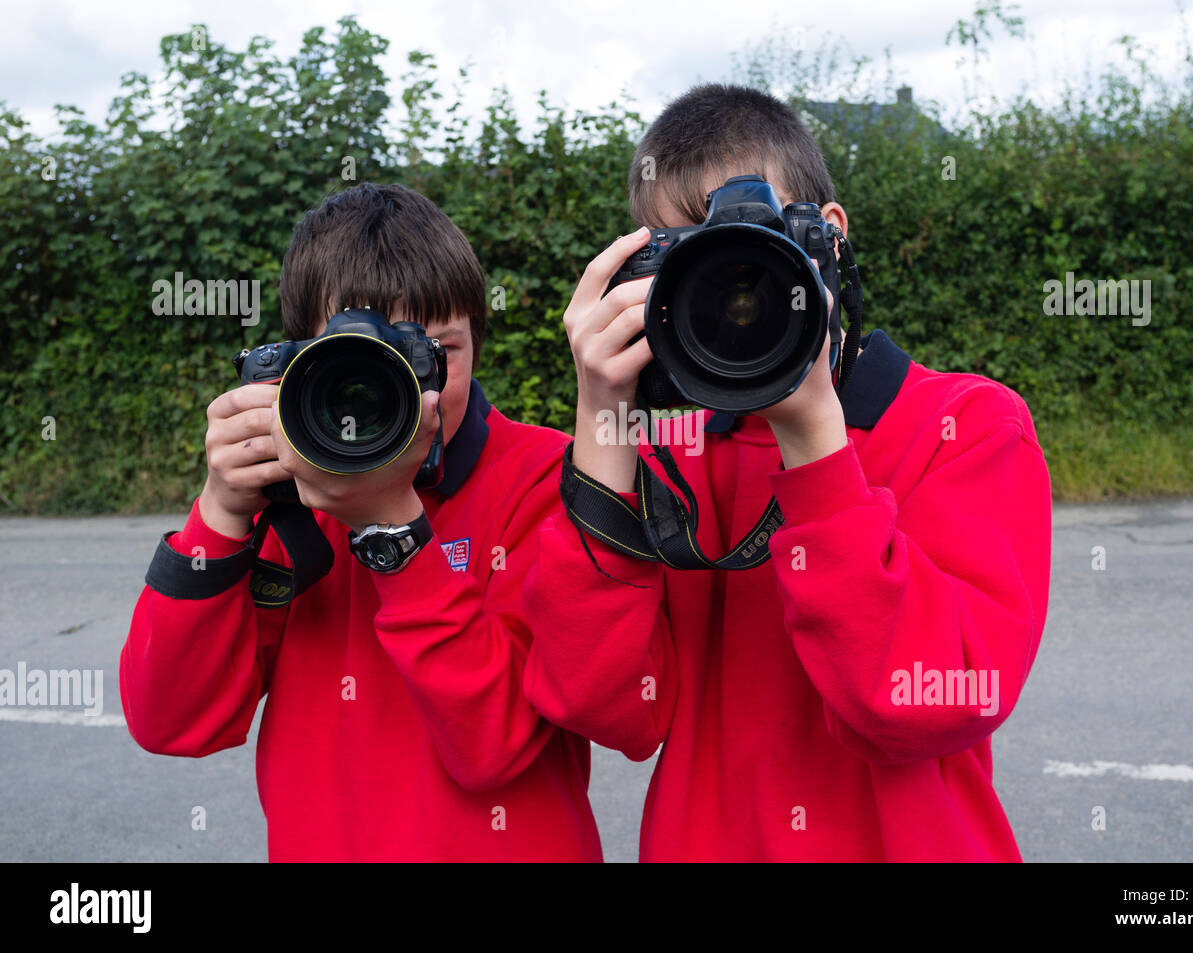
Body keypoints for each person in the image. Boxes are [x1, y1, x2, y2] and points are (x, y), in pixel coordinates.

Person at [521, 84, 1052, 861]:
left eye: (746, 240)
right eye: (684, 255)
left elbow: (923, 701)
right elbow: (602, 706)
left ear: (828, 236)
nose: (734, 284)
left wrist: (815, 443)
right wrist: (603, 418)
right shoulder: (673, 448)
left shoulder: (968, 425)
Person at [121, 182, 601, 862]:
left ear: (478, 342)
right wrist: (222, 512)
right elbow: (170, 720)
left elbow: (494, 746)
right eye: (365, 362)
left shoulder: (544, 475)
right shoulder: (289, 504)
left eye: (437, 351)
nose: (410, 386)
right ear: (298, 364)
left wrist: (391, 530)